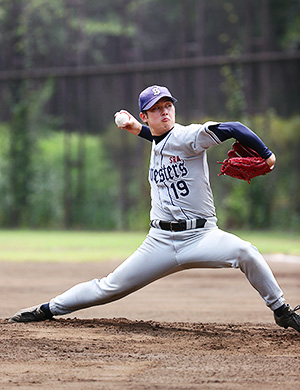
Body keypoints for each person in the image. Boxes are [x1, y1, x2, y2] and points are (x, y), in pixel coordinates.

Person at [9, 85, 300, 333]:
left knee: (246, 252)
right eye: (156, 108)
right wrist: (135, 127)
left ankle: (281, 310)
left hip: (202, 237)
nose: (165, 111)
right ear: (146, 116)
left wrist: (267, 156)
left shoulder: (189, 137)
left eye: (168, 105)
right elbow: (157, 137)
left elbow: (234, 128)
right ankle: (46, 309)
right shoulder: (157, 138)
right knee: (108, 287)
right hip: (159, 242)